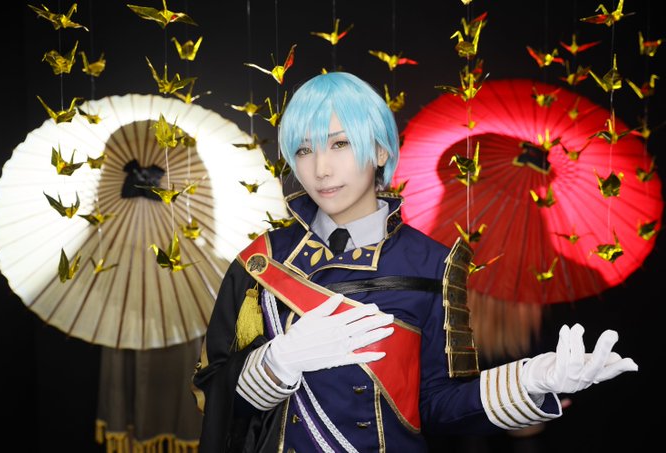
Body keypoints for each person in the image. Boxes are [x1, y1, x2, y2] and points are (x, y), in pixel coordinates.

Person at [190, 71, 637, 452]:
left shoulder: (432, 263)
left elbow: (438, 405)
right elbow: (210, 396)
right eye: (304, 150)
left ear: (380, 152)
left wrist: (532, 380)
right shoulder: (262, 261)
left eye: (340, 144)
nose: (320, 169)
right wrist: (275, 364)